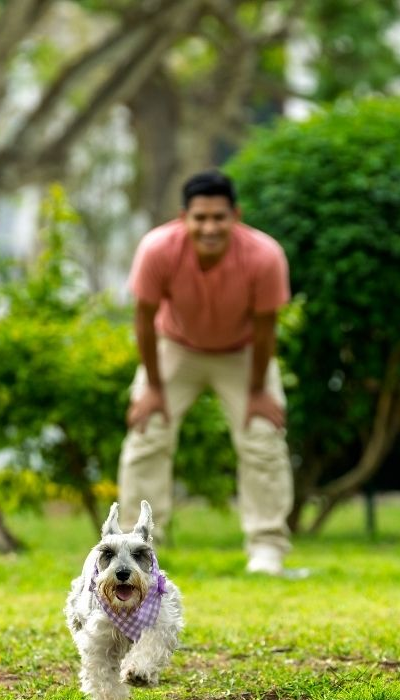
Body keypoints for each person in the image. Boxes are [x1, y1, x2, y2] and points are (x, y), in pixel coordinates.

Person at [118, 170, 296, 576]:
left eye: (219, 217)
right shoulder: (157, 249)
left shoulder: (264, 256)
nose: (210, 227)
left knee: (262, 436)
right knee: (147, 434)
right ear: (184, 217)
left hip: (243, 351)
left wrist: (257, 391)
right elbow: (144, 320)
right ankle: (135, 548)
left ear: (236, 215)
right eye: (201, 218)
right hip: (175, 346)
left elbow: (267, 327)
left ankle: (267, 549)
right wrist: (154, 389)